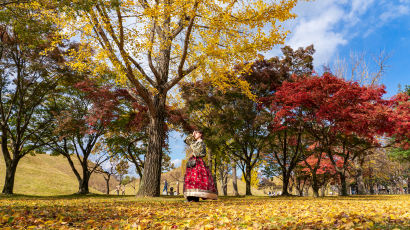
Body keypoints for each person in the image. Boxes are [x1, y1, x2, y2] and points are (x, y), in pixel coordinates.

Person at [183, 130, 218, 202]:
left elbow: (197, 152)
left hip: (198, 162)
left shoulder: (201, 143)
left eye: (196, 133)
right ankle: (190, 198)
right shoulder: (195, 142)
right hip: (193, 161)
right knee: (190, 179)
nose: (195, 134)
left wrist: (193, 149)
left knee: (197, 179)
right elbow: (186, 140)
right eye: (194, 133)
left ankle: (195, 198)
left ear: (200, 134)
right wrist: (192, 135)